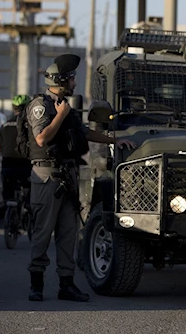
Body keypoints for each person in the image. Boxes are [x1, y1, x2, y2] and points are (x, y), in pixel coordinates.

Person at [27, 54, 136, 302]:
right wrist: (60, 115)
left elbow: (83, 132)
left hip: (67, 175)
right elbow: (42, 138)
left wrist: (114, 140)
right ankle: (36, 285)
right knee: (43, 232)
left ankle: (66, 284)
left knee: (68, 233)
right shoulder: (41, 106)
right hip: (47, 175)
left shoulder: (65, 106)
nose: (75, 81)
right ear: (62, 80)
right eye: (72, 77)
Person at [0, 95, 33, 203]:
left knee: (8, 194)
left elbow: (1, 145)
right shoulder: (29, 126)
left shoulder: (5, 125)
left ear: (14, 108)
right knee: (30, 194)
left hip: (7, 166)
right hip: (25, 166)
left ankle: (9, 211)